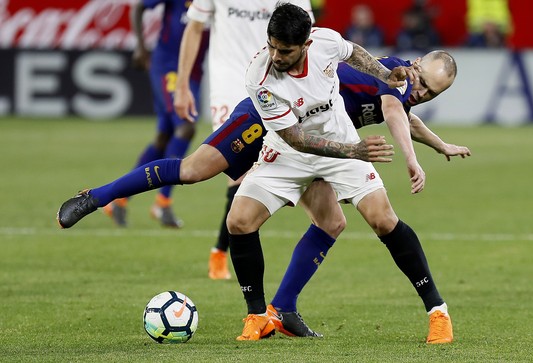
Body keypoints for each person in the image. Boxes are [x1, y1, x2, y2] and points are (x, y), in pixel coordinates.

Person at [56, 48, 467, 342]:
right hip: (269, 121)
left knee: (332, 221)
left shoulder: (395, 85)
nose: (422, 94)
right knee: (193, 170)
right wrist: (413, 160)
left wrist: (440, 144)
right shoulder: (392, 74)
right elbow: (396, 112)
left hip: (320, 140)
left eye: (433, 94)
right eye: (423, 84)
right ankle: (99, 196)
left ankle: (282, 310)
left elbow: (405, 114)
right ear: (413, 66)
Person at [225, 3, 457, 343]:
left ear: (306, 44)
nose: (275, 55)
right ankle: (258, 316)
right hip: (292, 147)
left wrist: (382, 73)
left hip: (339, 137)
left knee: (382, 219)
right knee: (239, 221)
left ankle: (438, 312)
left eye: (284, 50)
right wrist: (356, 151)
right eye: (272, 46)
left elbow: (355, 53)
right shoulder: (258, 76)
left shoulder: (326, 42)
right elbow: (296, 139)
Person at [173, 0, 314, 280]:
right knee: (236, 171)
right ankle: (220, 254)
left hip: (274, 82)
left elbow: (311, 36)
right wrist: (182, 84)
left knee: (268, 168)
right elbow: (195, 27)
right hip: (228, 83)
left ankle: (227, 251)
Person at [102, 0, 209, 228]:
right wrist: (140, 46)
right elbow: (139, 6)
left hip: (193, 72)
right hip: (168, 66)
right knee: (186, 126)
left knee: (163, 139)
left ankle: (119, 200)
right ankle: (163, 201)